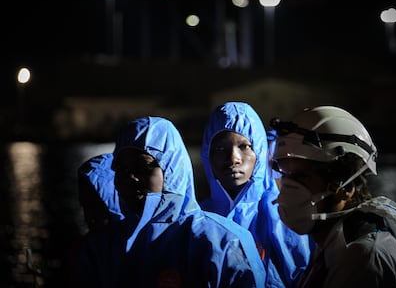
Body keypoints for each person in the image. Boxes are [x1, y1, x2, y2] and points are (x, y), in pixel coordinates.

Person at [72, 116, 266, 287]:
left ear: (171, 169)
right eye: (121, 169)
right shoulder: (103, 246)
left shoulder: (221, 242)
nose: (130, 177)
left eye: (143, 167)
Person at [270, 105, 396, 287]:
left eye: (301, 177)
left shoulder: (366, 259)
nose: (288, 189)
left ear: (345, 186)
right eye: (285, 175)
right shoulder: (333, 244)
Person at [200, 101, 312, 287]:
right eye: (220, 149)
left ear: (260, 151)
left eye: (245, 146)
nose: (233, 159)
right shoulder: (197, 219)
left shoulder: (283, 216)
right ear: (207, 155)